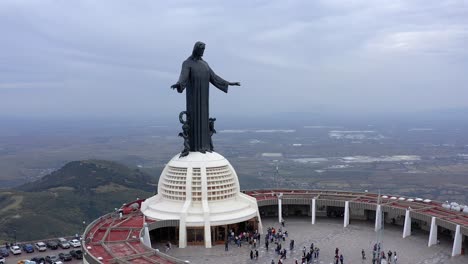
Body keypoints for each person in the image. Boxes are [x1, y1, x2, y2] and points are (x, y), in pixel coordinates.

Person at [171, 41, 241, 153]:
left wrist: (229, 83)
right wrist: (179, 84)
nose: (203, 52)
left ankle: (205, 145)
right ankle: (193, 146)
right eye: (201, 50)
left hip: (204, 97)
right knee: (194, 118)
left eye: (204, 50)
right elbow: (183, 76)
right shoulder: (187, 63)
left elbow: (214, 77)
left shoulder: (205, 64)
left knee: (203, 117)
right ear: (196, 49)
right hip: (193, 97)